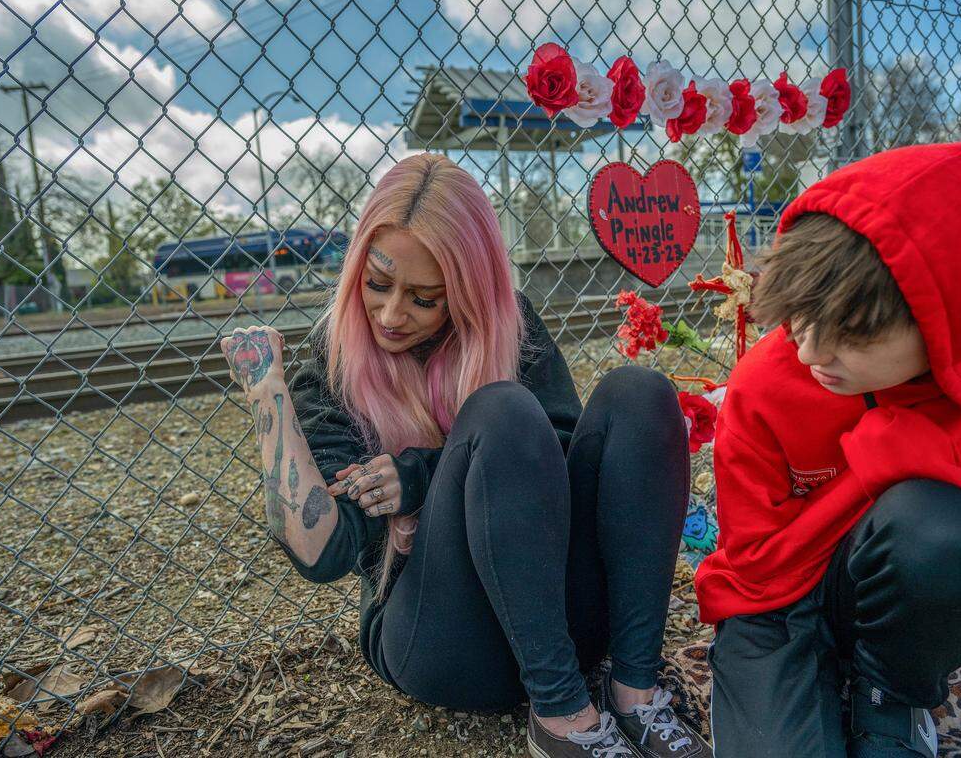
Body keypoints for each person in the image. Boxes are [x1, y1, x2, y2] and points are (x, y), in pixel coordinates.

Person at [220, 153, 711, 758]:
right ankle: (562, 721)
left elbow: (557, 464)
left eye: (425, 298)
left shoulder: (510, 325)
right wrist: (269, 396)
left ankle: (636, 692)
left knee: (640, 393)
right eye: (377, 284)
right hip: (443, 641)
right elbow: (321, 554)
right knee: (500, 410)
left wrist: (424, 473)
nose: (393, 314)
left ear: (467, 292)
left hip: (557, 624)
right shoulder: (335, 362)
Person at [696, 141, 961, 758]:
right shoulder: (767, 382)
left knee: (942, 534)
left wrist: (929, 468)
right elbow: (755, 567)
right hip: (773, 607)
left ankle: (891, 692)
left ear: (948, 320)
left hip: (882, 593)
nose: (809, 354)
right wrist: (881, 470)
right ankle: (809, 683)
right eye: (800, 320)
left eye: (848, 336)